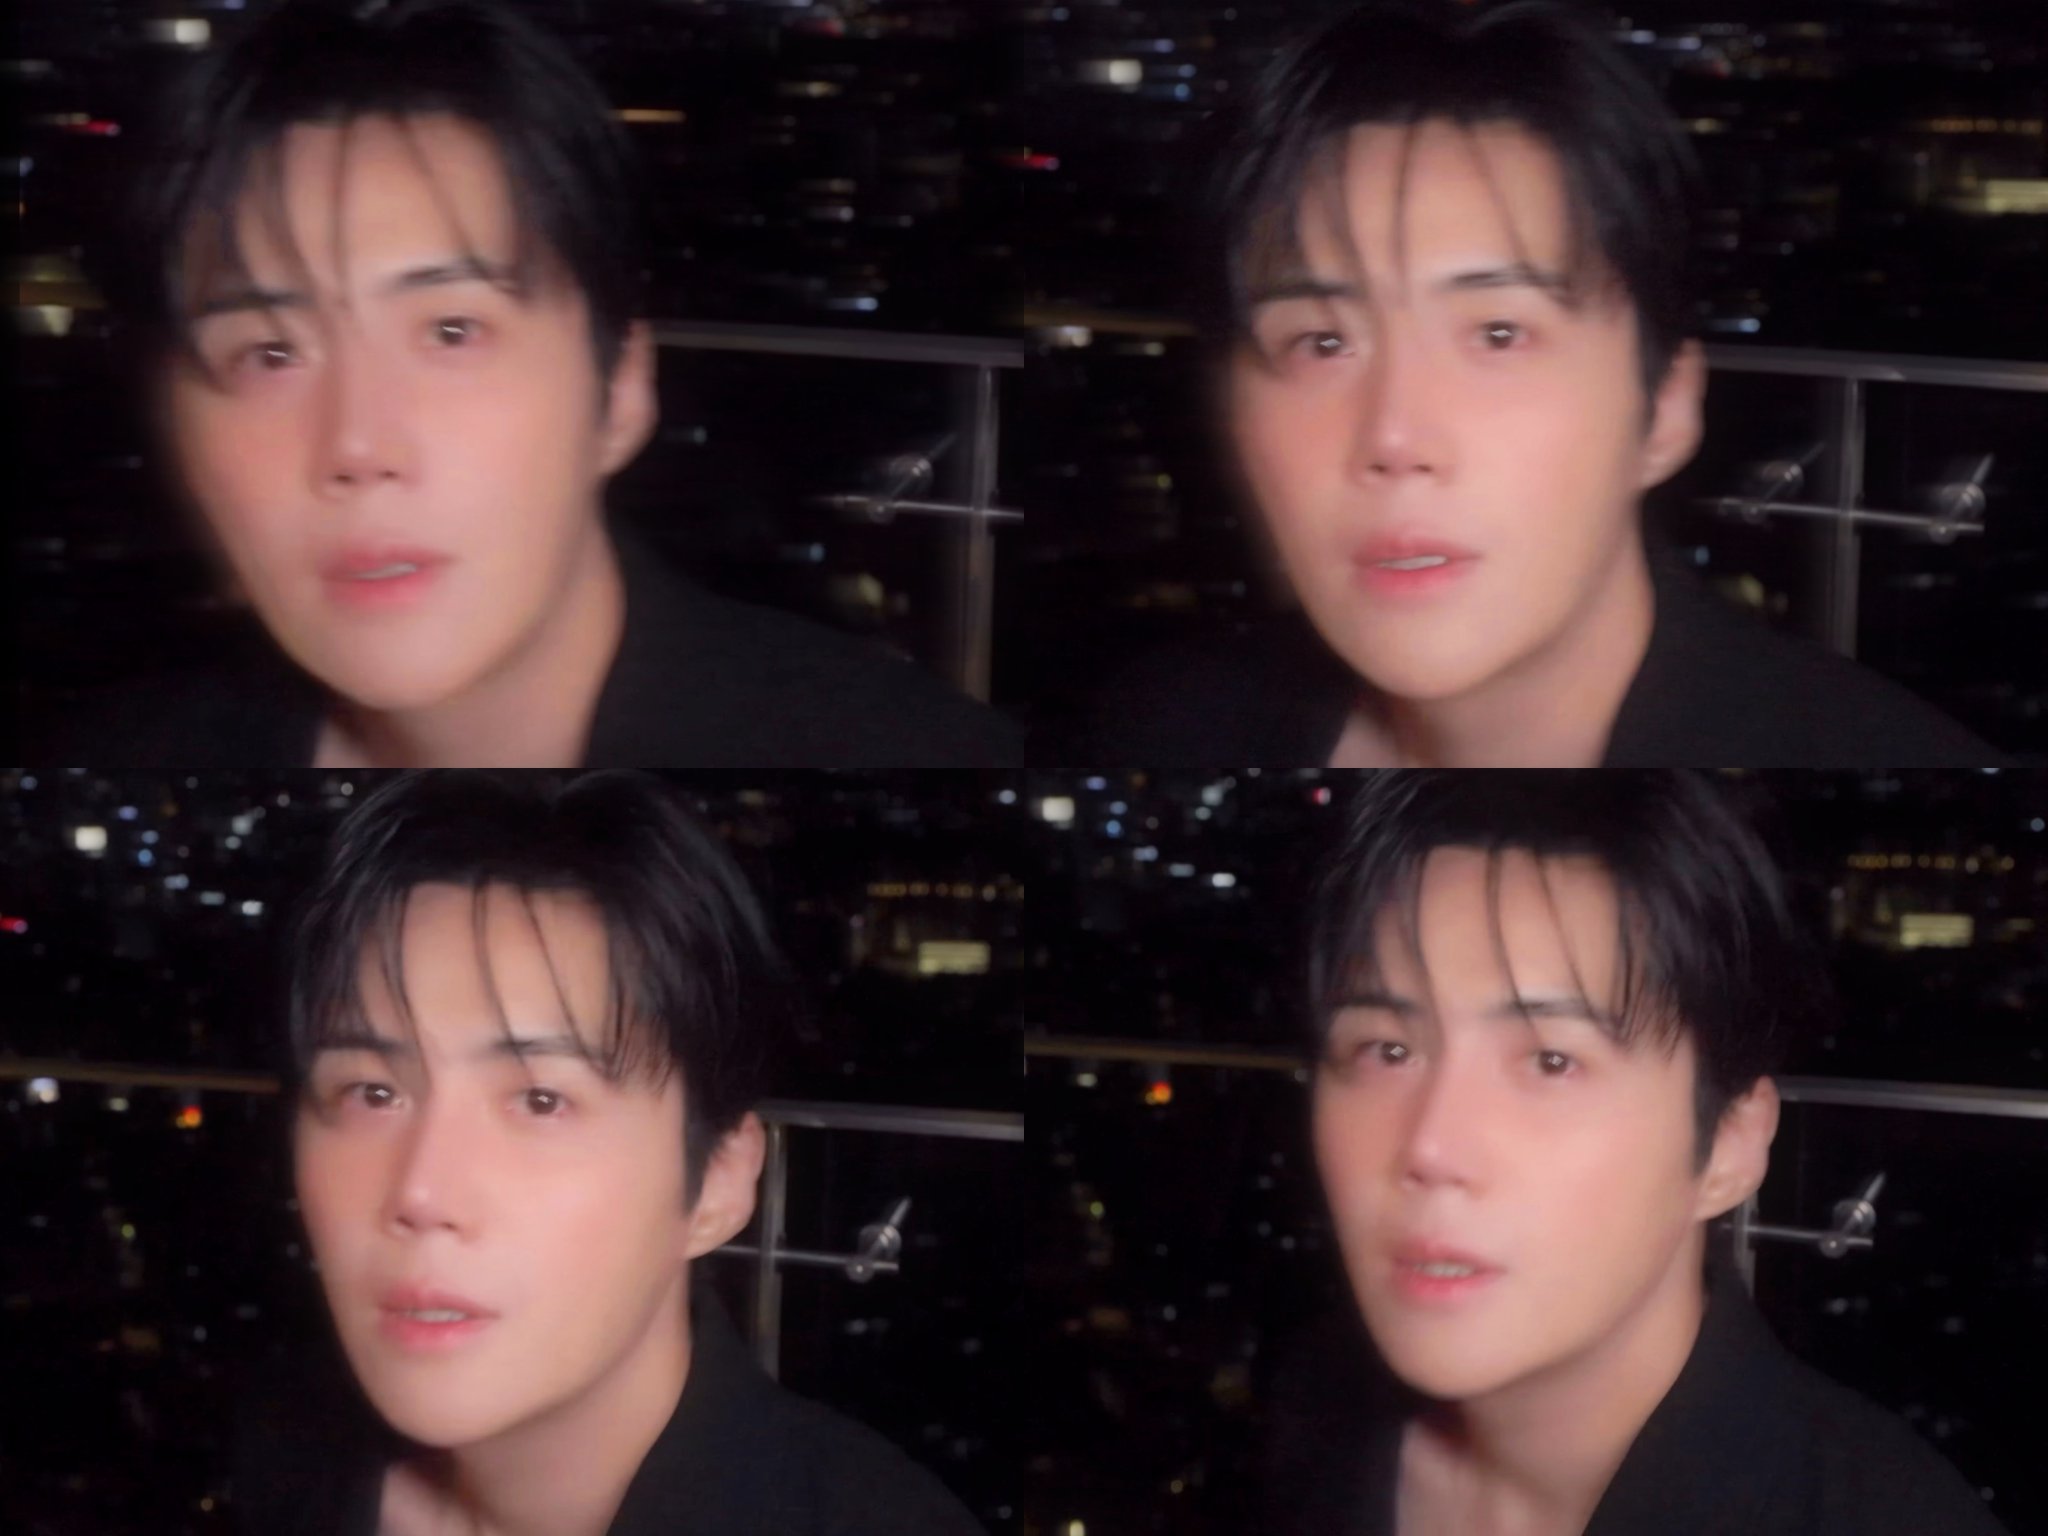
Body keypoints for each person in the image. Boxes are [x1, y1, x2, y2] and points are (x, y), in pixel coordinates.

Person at [51, 0, 1016, 768]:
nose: (358, 446)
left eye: (453, 331)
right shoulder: (117, 751)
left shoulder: (908, 752)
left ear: (621, 388)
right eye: (270, 354)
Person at [1078, 0, 2003, 767]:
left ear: (1664, 408)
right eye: (1322, 342)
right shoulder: (1158, 724)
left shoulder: (1876, 755)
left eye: (1499, 334)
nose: (1394, 438)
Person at [231, 771, 987, 1536]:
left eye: (541, 1101)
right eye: (372, 1093)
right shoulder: (271, 1470)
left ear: (719, 1180)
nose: (421, 1194)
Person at [1259, 772, 2010, 1535]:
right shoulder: (1306, 1415)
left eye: (1552, 1061)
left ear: (1729, 1143)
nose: (1429, 1147)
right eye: (1387, 1050)